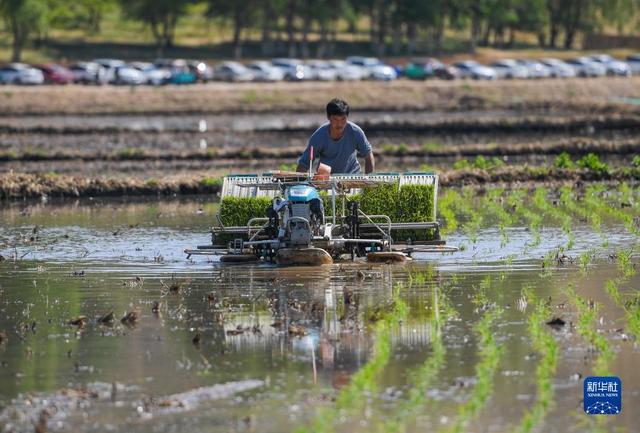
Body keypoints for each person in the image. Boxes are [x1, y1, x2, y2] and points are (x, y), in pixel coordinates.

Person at [296, 98, 375, 174]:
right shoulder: (318, 136)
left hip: (352, 176)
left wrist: (369, 180)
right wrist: (298, 185)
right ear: (328, 117)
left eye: (343, 119)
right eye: (335, 119)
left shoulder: (356, 132)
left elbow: (368, 156)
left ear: (347, 117)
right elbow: (304, 164)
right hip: (327, 179)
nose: (339, 124)